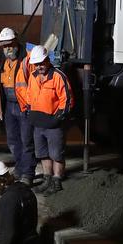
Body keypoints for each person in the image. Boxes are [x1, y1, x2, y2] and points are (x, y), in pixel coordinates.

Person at [24, 45, 72, 195]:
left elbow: (67, 100)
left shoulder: (58, 76)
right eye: (36, 64)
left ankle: (57, 180)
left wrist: (58, 118)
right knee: (43, 153)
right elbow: (29, 96)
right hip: (38, 124)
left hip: (53, 124)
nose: (39, 67)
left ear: (47, 60)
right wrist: (29, 111)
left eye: (41, 63)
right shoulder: (32, 76)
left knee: (56, 153)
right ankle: (48, 179)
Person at [0, 28, 34, 185]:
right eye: (4, 46)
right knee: (12, 140)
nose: (8, 49)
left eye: (10, 45)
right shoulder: (3, 59)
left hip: (24, 105)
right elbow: (0, 84)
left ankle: (28, 173)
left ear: (16, 43)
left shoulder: (27, 57)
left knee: (27, 141)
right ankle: (19, 168)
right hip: (9, 106)